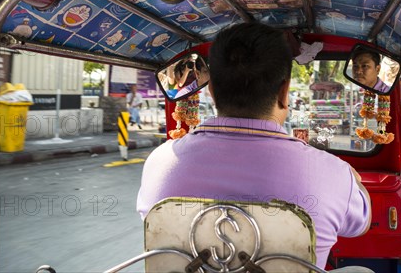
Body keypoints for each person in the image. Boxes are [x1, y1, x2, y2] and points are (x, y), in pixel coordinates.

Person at [137, 22, 372, 271]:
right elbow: (361, 225)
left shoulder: (160, 162)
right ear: (284, 92)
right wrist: (354, 180)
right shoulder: (333, 173)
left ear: (212, 91)